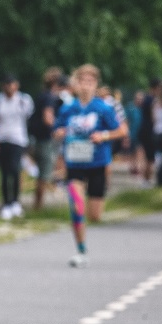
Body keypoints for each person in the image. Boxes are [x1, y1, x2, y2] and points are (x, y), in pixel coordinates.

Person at [54, 64, 128, 267]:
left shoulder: (103, 108)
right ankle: (81, 250)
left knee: (94, 215)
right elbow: (57, 129)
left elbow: (122, 130)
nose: (86, 86)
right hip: (75, 163)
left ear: (96, 85)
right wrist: (59, 133)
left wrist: (103, 135)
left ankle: (84, 224)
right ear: (75, 84)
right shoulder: (68, 109)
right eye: (82, 81)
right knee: (76, 207)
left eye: (90, 82)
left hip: (97, 163)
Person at [0, 73, 34, 219]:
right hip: (2, 139)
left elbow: (29, 119)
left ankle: (16, 201)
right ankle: (6, 203)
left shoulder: (23, 100)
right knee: (5, 172)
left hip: (18, 139)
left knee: (15, 170)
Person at [31, 67, 65, 211]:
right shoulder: (50, 97)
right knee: (44, 173)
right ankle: (38, 206)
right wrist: (57, 129)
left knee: (42, 172)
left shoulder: (43, 95)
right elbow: (48, 118)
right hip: (45, 139)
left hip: (37, 138)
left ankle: (38, 205)